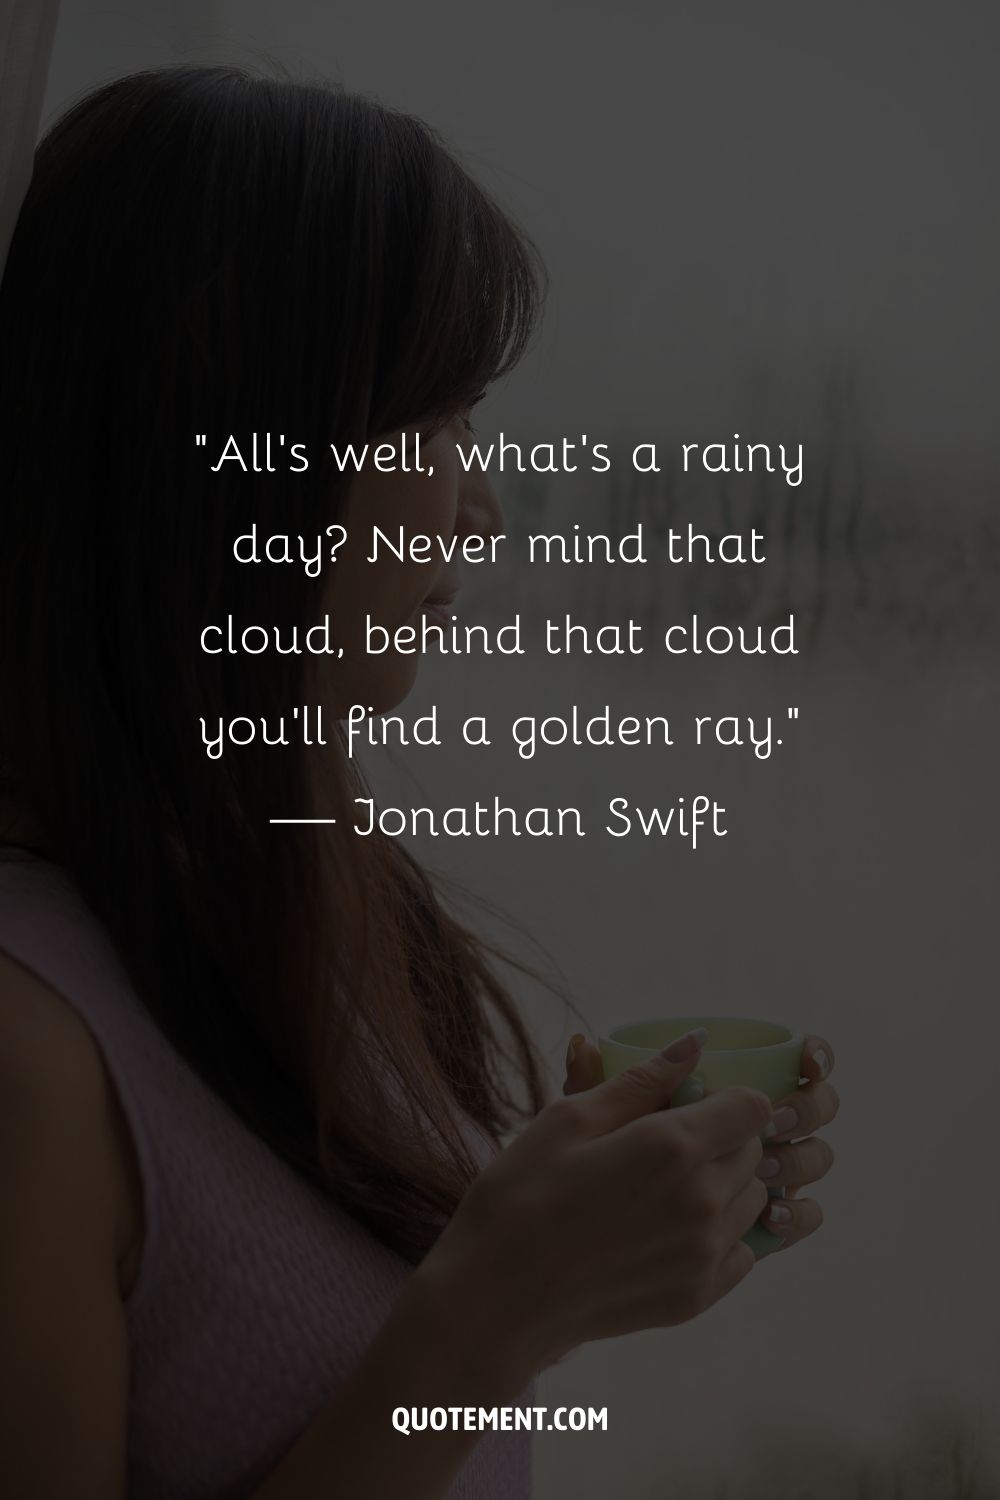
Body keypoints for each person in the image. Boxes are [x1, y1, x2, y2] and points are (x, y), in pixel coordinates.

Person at [0, 67, 839, 1500]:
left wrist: (577, 1229)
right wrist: (491, 1312)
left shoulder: (294, 883)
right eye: (435, 421)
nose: (480, 504)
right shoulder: (30, 1059)